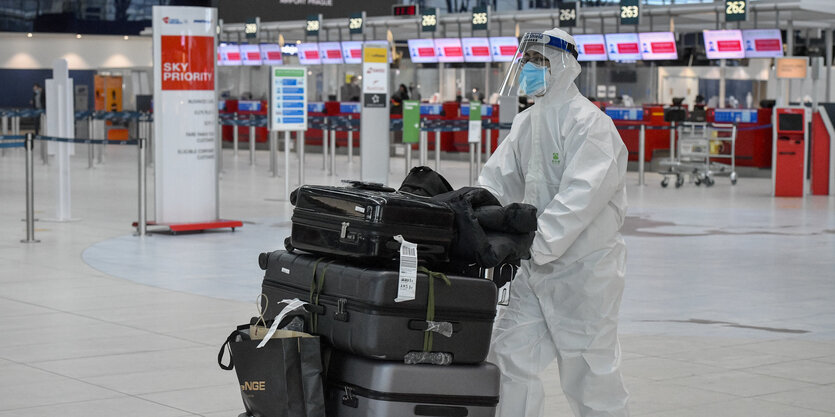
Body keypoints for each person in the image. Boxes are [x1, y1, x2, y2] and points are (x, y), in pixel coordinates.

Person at [478, 28, 629, 417]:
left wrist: (533, 244)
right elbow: (495, 181)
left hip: (582, 273)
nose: (528, 69)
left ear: (563, 66)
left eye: (538, 62)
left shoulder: (591, 125)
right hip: (533, 272)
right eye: (526, 61)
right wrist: (472, 213)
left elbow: (580, 199)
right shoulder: (528, 122)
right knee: (509, 359)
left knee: (590, 375)